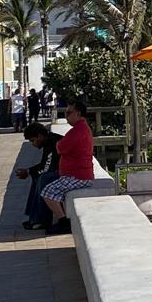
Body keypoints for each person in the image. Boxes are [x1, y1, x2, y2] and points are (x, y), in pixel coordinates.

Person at [40, 100, 98, 234]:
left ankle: (63, 221)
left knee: (48, 192)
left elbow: (61, 147)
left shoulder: (78, 130)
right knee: (51, 188)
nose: (66, 116)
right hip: (77, 174)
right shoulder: (81, 129)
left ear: (78, 113)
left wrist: (59, 144)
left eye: (68, 113)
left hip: (78, 176)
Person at [16, 122, 62, 230]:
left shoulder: (53, 143)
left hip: (66, 172)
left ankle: (40, 219)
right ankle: (34, 217)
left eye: (33, 140)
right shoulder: (48, 141)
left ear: (40, 136)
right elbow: (45, 163)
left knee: (42, 179)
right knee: (37, 176)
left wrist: (29, 172)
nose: (33, 144)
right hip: (59, 170)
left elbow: (47, 167)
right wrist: (29, 171)